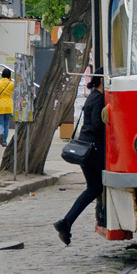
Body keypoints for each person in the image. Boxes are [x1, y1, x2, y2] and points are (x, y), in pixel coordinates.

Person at [54, 76, 106, 245]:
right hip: (93, 150)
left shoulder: (91, 96)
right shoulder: (99, 98)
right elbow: (98, 124)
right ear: (101, 81)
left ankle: (67, 222)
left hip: (86, 149)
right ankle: (66, 222)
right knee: (94, 188)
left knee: (94, 188)